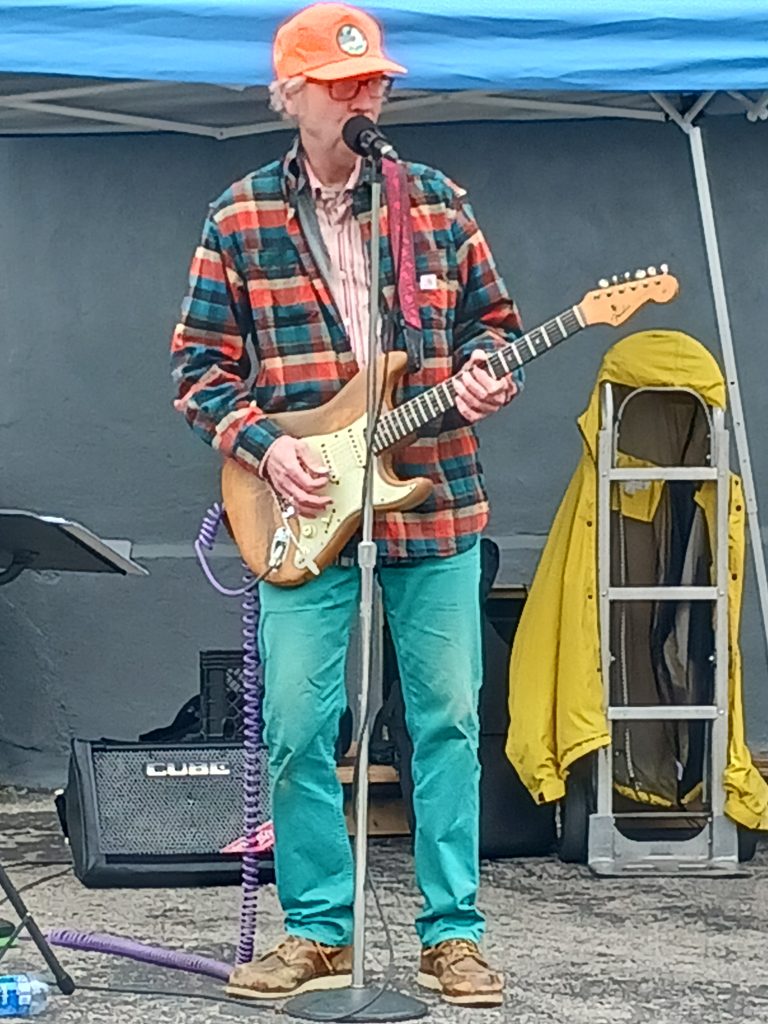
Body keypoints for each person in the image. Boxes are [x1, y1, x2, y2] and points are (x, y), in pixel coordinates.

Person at [171, 2, 523, 1008]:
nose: (369, 96)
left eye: (376, 82)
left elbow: (493, 326)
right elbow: (199, 369)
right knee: (295, 722)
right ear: (292, 96)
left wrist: (492, 371)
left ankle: (451, 935)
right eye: (344, 84)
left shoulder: (436, 203)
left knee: (450, 717)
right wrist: (269, 447)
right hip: (304, 507)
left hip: (436, 499)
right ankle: (319, 930)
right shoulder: (238, 217)